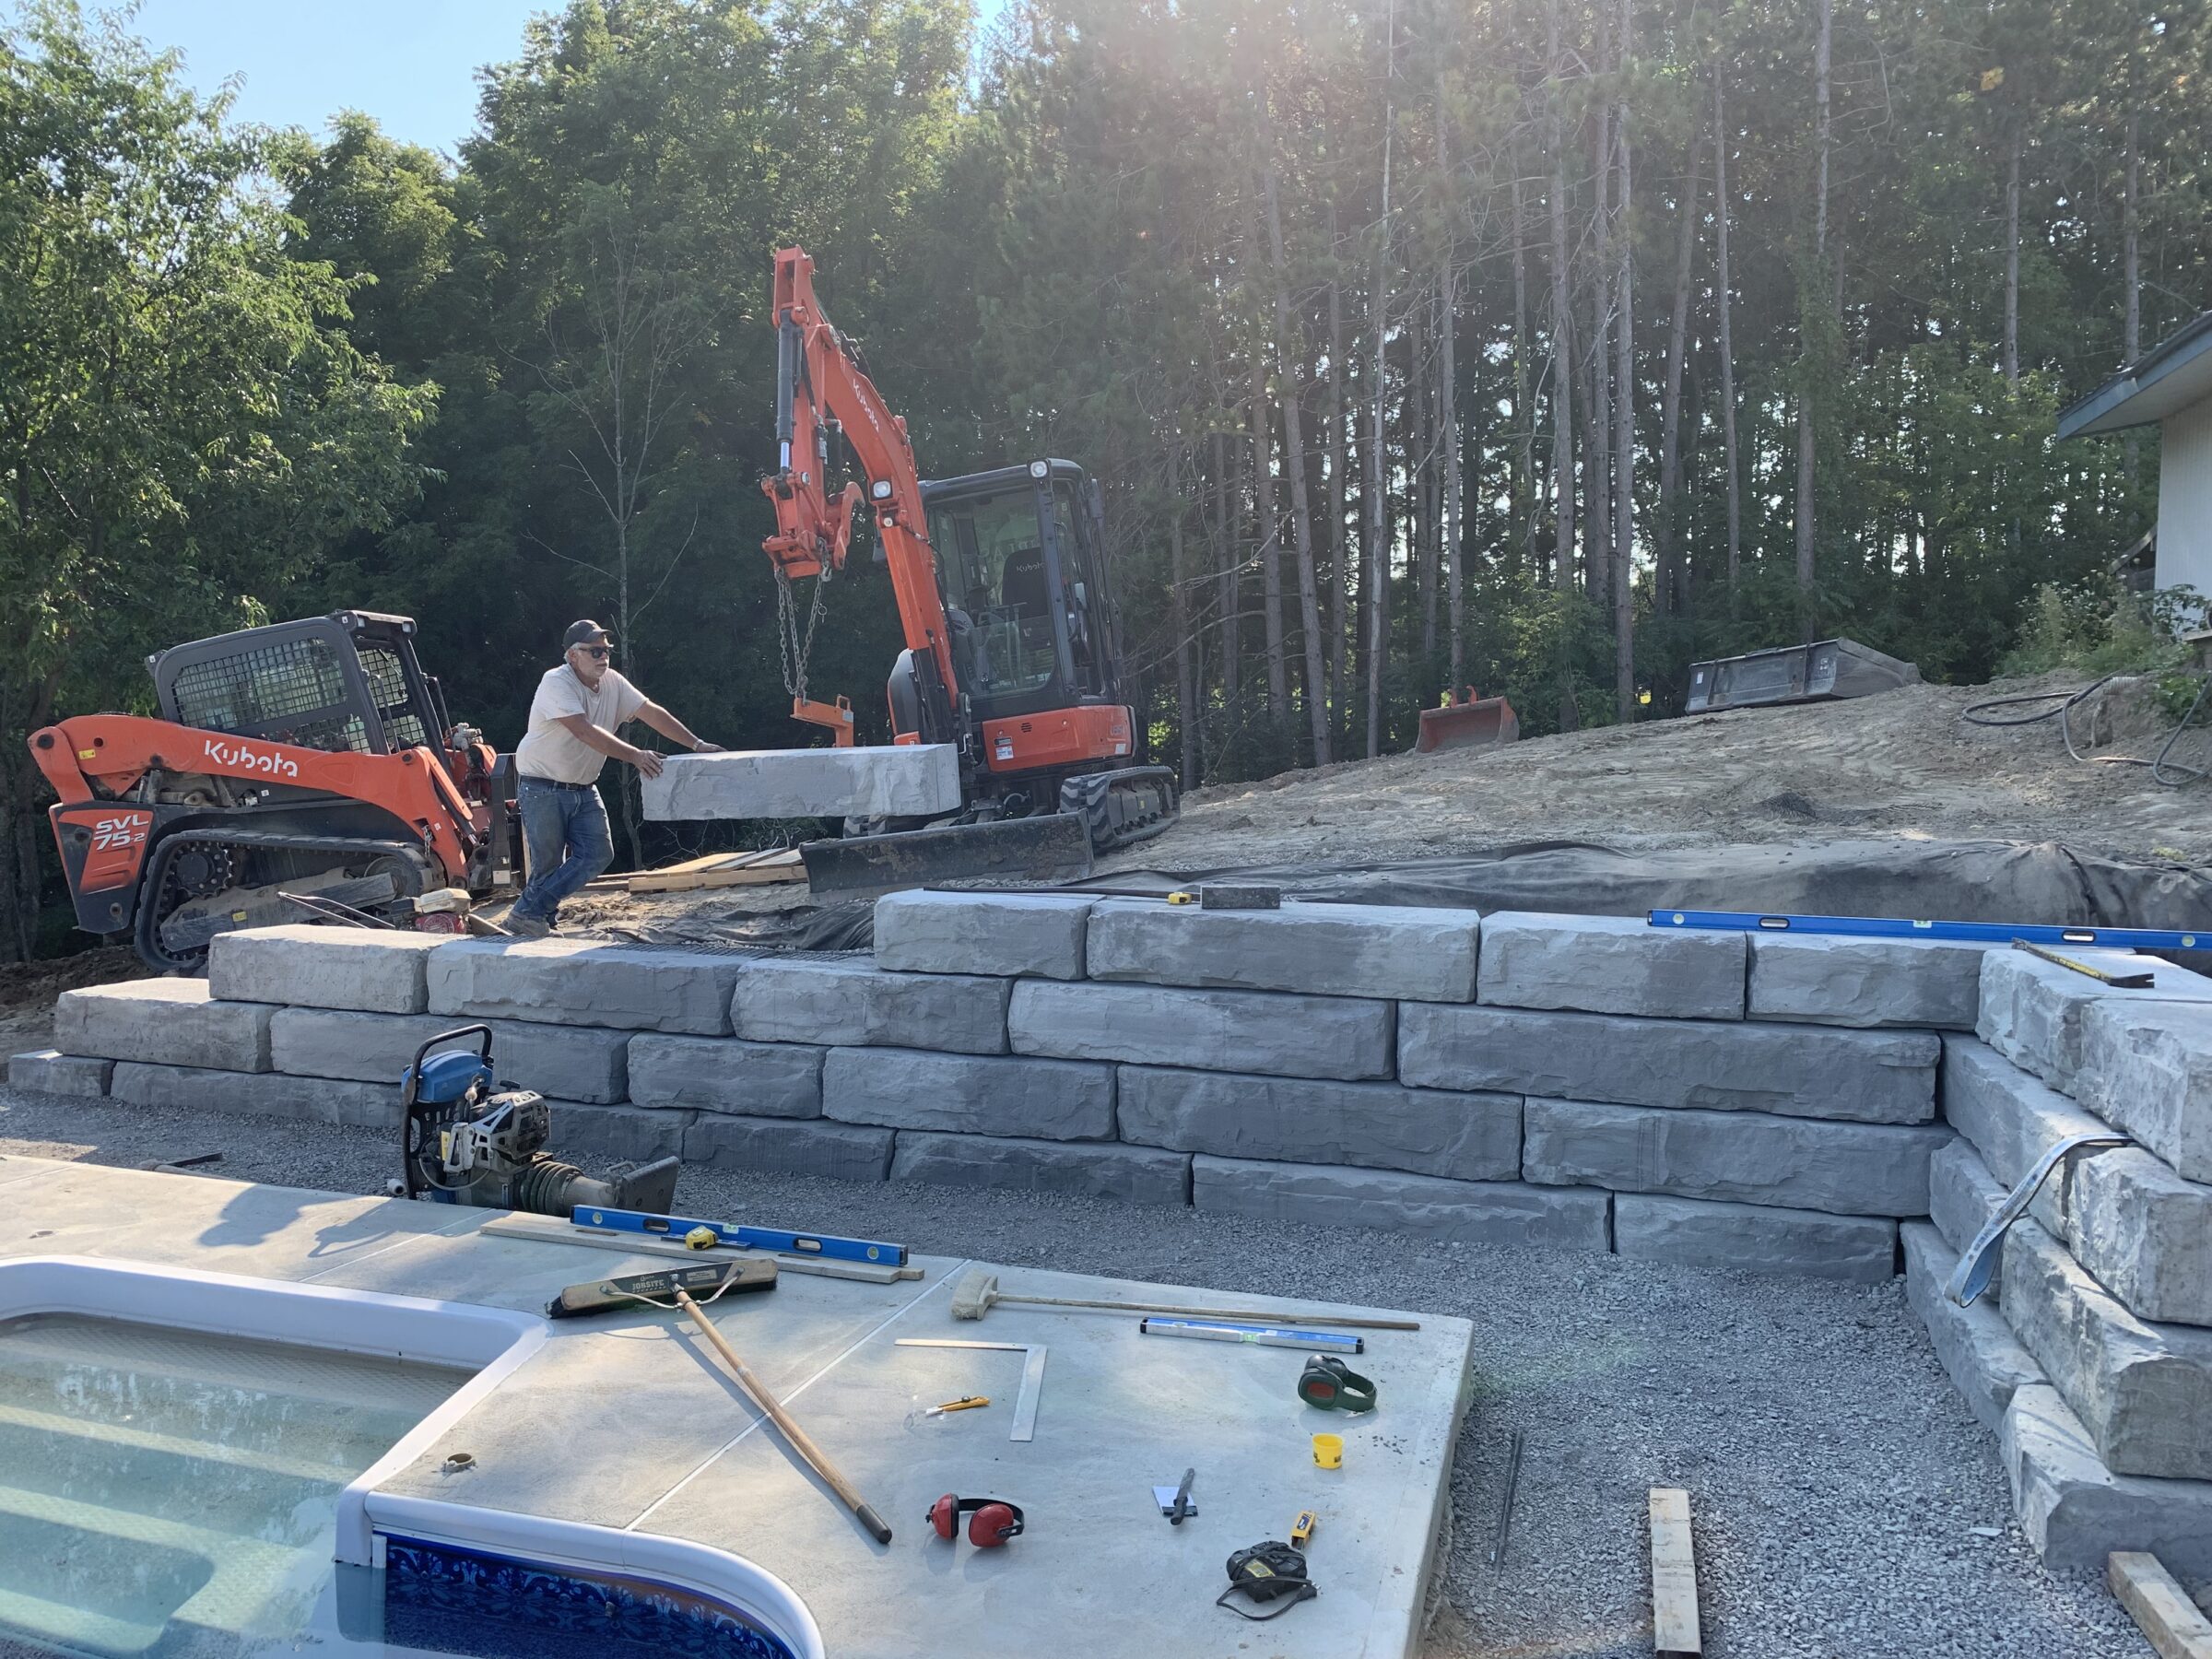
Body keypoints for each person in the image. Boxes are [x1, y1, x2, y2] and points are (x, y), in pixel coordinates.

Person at [505, 619, 720, 937]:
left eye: (606, 651)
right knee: (548, 865)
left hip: (583, 787)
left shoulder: (613, 683)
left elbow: (652, 712)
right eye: (594, 651)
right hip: (542, 787)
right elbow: (584, 731)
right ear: (572, 655)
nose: (603, 657)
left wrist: (697, 744)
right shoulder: (556, 682)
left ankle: (527, 915)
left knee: (598, 853)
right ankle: (537, 922)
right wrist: (635, 755)